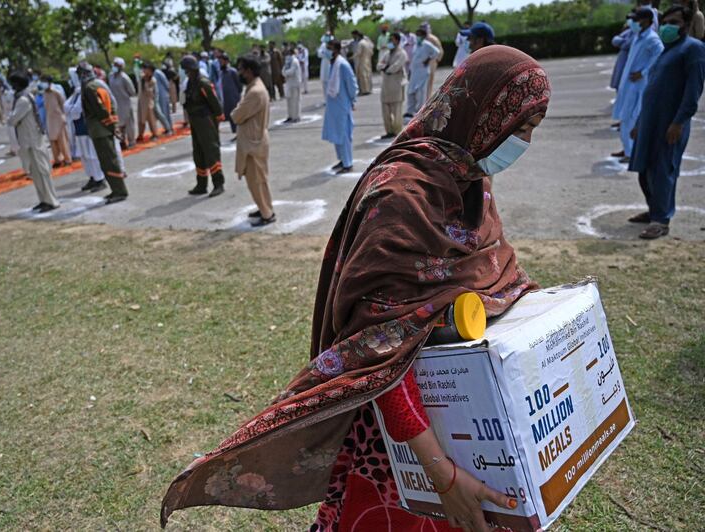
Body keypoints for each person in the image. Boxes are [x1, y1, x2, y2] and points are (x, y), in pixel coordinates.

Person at [160, 45, 551, 532]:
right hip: (406, 444)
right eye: (521, 131)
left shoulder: (470, 181)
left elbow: (496, 278)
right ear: (484, 115)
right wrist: (440, 474)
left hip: (470, 425)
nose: (524, 145)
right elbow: (378, 347)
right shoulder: (402, 196)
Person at [629, 6, 705, 239]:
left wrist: (679, 122)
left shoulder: (693, 49)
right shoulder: (666, 50)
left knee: (663, 170)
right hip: (650, 123)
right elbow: (652, 91)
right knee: (644, 170)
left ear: (685, 24)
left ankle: (661, 220)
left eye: (674, 21)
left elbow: (693, 91)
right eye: (665, 22)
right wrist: (639, 123)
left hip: (670, 124)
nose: (667, 26)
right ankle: (654, 210)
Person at [612, 7, 663, 162]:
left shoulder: (652, 38)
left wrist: (644, 72)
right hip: (628, 85)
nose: (633, 22)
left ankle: (632, 152)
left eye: (636, 19)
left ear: (647, 21)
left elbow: (659, 55)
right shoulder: (638, 36)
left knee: (631, 119)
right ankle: (627, 149)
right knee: (625, 119)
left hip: (638, 86)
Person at [7, 72, 59, 213]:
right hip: (29, 140)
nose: (11, 86)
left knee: (42, 171)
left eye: (13, 83)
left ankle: (51, 201)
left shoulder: (23, 100)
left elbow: (12, 120)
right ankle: (43, 200)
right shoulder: (23, 97)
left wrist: (10, 116)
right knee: (35, 172)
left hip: (33, 139)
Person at [78, 62, 129, 204]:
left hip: (100, 130)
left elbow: (101, 110)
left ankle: (120, 191)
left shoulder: (89, 88)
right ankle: (116, 189)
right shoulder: (97, 84)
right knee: (108, 161)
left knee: (109, 162)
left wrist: (112, 127)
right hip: (103, 129)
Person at [232, 56, 275, 226]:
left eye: (241, 69)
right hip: (253, 141)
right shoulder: (253, 88)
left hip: (253, 143)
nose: (239, 73)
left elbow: (237, 116)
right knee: (257, 180)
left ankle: (267, 214)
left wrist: (236, 112)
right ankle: (264, 207)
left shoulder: (255, 92)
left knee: (257, 181)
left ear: (249, 71)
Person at [180, 55, 226, 197]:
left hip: (206, 121)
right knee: (198, 153)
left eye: (187, 70)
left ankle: (218, 184)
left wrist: (218, 118)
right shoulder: (190, 83)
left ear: (193, 68)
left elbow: (214, 102)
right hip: (195, 121)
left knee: (211, 151)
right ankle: (201, 184)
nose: (186, 73)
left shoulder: (203, 82)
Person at [65, 67, 109, 193]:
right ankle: (92, 177)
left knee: (92, 155)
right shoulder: (76, 92)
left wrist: (71, 110)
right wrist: (71, 109)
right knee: (84, 156)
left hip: (87, 127)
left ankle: (100, 178)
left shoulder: (86, 90)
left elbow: (76, 111)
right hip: (78, 129)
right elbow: (66, 107)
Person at [322, 40, 359, 174]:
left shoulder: (342, 65)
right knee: (337, 134)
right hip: (333, 106)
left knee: (344, 135)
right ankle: (342, 160)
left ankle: (348, 163)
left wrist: (353, 100)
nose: (327, 50)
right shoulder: (333, 63)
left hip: (342, 105)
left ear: (336, 49)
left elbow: (352, 84)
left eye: (329, 48)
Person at [377, 32, 408, 139]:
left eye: (392, 39)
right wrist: (385, 67)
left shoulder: (402, 53)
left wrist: (386, 67)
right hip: (385, 86)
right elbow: (379, 65)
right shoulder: (387, 53)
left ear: (398, 41)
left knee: (397, 111)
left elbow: (395, 67)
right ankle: (389, 131)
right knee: (385, 111)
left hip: (396, 86)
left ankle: (397, 132)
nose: (390, 42)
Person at [405, 28, 440, 120]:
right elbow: (414, 59)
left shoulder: (427, 45)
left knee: (421, 92)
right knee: (410, 91)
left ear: (424, 36)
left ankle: (420, 112)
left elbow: (437, 52)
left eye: (419, 35)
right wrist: (410, 72)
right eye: (417, 35)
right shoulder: (416, 45)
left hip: (423, 72)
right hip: (414, 72)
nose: (418, 37)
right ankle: (409, 111)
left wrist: (429, 59)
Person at [39, 75, 72, 167]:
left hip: (58, 118)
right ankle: (57, 159)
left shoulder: (56, 92)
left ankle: (67, 159)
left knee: (62, 140)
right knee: (53, 140)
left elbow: (63, 103)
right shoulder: (44, 93)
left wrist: (64, 116)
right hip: (49, 119)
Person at [109, 57, 138, 148]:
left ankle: (131, 141)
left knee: (129, 124)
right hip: (115, 104)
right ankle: (122, 142)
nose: (114, 66)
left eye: (116, 65)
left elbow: (132, 91)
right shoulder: (111, 76)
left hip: (125, 103)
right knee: (119, 124)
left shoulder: (124, 77)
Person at [219, 54, 242, 136]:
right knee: (229, 114)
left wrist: (237, 94)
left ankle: (239, 131)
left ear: (226, 61)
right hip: (226, 97)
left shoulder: (232, 71)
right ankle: (235, 131)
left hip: (234, 97)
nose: (220, 63)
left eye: (222, 61)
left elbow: (239, 84)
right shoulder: (222, 72)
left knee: (236, 114)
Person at [611, 16, 635, 92]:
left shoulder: (638, 34)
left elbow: (627, 44)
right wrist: (623, 42)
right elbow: (615, 40)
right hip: (622, 59)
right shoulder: (628, 31)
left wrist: (622, 42)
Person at [420, 21, 445, 96]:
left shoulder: (433, 39)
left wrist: (436, 60)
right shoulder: (421, 38)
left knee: (429, 82)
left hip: (431, 63)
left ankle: (428, 98)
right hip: (422, 63)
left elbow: (440, 51)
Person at [138, 63, 160, 141]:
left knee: (151, 119)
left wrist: (147, 82)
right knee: (141, 119)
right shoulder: (142, 78)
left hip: (149, 102)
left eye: (146, 69)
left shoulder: (153, 80)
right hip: (142, 101)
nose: (144, 70)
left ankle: (155, 134)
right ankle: (140, 135)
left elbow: (151, 92)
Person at [351, 30, 375, 95]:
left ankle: (364, 90)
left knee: (362, 76)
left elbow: (358, 53)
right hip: (368, 60)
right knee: (368, 75)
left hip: (361, 61)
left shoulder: (360, 43)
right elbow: (371, 52)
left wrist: (351, 57)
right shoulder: (368, 42)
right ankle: (369, 89)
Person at [282, 48, 302, 123]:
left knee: (296, 100)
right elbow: (283, 71)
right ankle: (290, 116)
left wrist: (285, 73)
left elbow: (292, 72)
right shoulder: (287, 61)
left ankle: (296, 116)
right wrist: (285, 73)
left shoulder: (295, 61)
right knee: (289, 101)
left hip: (295, 83)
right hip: (288, 83)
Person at [153, 63, 173, 134]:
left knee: (165, 112)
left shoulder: (158, 73)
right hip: (158, 95)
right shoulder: (153, 74)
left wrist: (168, 93)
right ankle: (167, 127)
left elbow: (166, 83)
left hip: (163, 94)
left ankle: (170, 128)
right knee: (162, 112)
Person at [317, 33, 334, 101]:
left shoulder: (333, 44)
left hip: (331, 63)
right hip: (325, 63)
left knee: (332, 81)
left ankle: (332, 98)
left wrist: (328, 54)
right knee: (324, 82)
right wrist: (325, 54)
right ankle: (326, 99)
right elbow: (319, 54)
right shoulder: (323, 45)